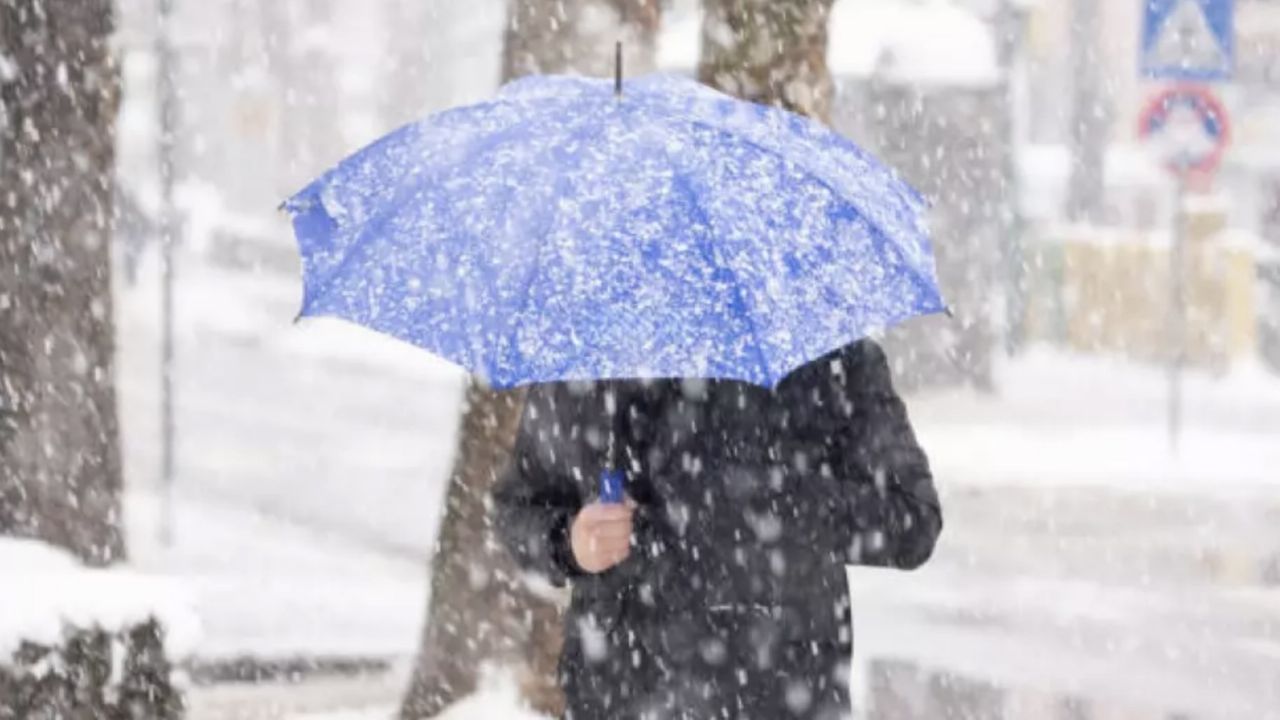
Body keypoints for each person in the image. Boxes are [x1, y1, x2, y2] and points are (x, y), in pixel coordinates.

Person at [493, 338, 942, 720]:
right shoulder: (593, 354)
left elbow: (912, 519)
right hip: (622, 688)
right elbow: (518, 508)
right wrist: (568, 542)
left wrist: (774, 501)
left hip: (780, 688)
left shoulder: (828, 354)